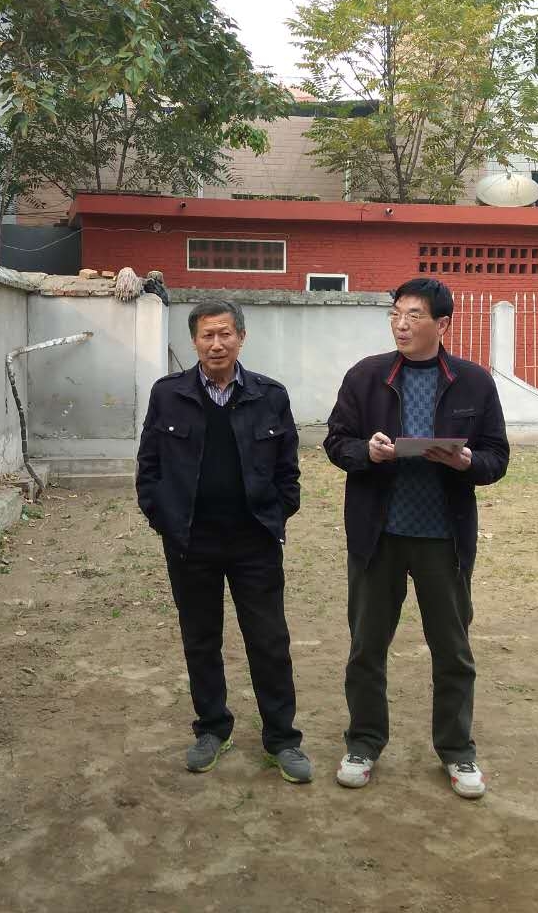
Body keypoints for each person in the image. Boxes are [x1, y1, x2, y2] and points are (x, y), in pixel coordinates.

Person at [324, 277, 509, 799]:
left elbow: (497, 457)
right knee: (366, 647)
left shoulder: (473, 382)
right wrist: (368, 452)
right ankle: (363, 742)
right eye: (396, 314)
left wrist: (467, 461)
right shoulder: (366, 377)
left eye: (414, 316)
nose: (401, 325)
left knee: (452, 650)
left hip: (442, 539)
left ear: (442, 324)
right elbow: (336, 442)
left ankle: (456, 749)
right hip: (377, 537)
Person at [135, 298, 312, 783]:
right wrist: (163, 517)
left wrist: (276, 513)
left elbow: (288, 470)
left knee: (269, 640)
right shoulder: (168, 394)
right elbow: (149, 466)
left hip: (254, 542)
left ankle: (282, 739)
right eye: (207, 335)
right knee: (201, 639)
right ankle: (212, 728)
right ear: (194, 341)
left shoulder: (269, 395)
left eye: (225, 334)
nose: (217, 344)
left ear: (241, 337)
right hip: (190, 543)